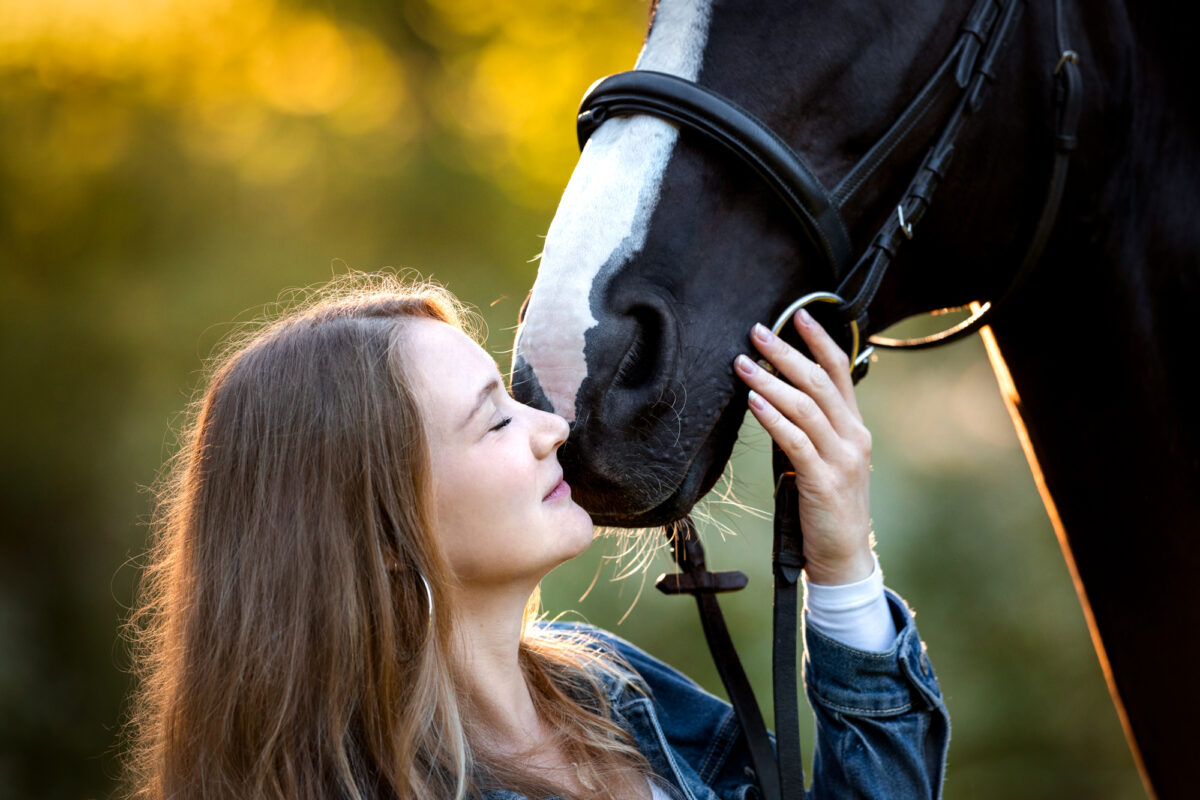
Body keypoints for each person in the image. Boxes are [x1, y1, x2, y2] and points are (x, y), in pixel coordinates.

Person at [124, 274, 949, 800]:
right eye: (493, 421)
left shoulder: (612, 691)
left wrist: (841, 564)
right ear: (382, 536)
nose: (552, 428)